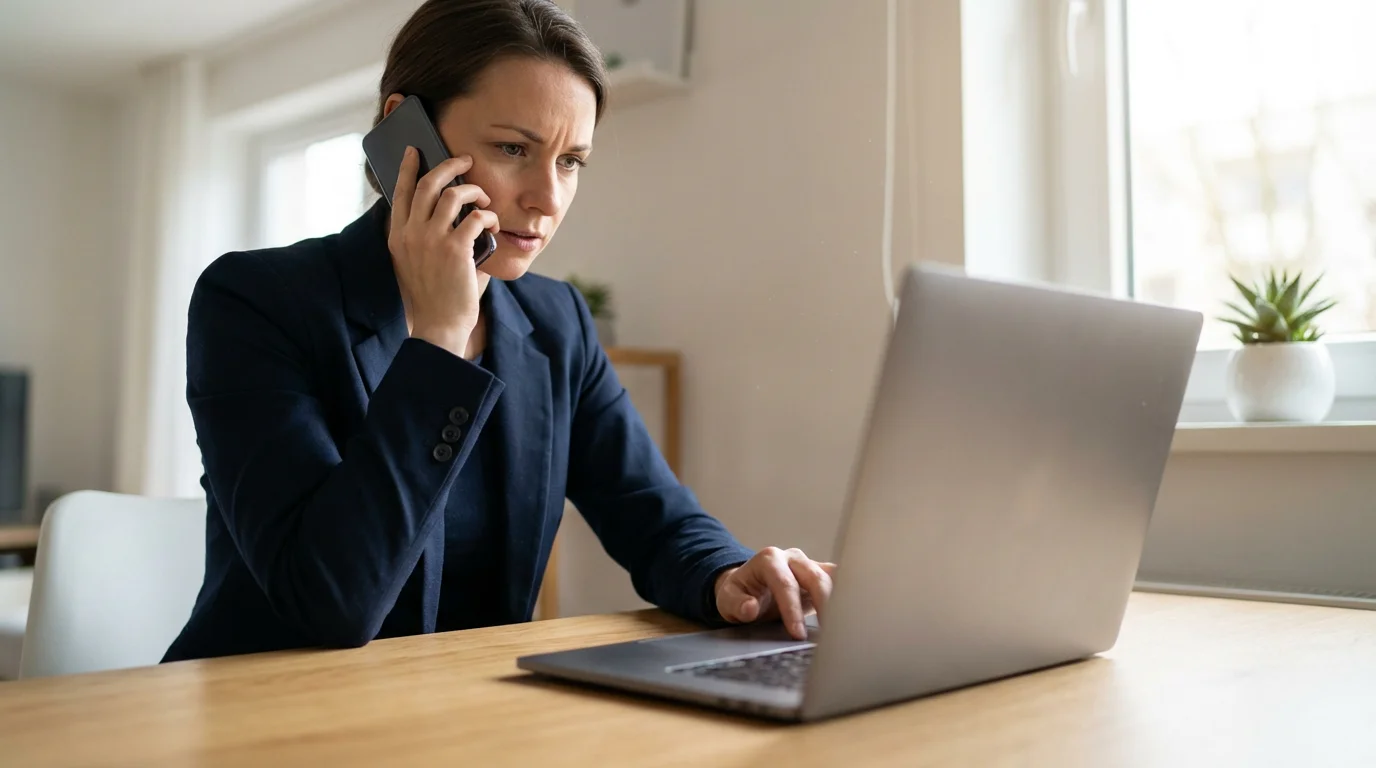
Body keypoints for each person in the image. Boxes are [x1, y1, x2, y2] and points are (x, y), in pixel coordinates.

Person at [163, 0, 834, 663]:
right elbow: (330, 601)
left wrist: (727, 577)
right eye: (514, 148)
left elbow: (652, 514)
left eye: (572, 160)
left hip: (466, 718)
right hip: (265, 716)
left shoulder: (555, 322)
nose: (547, 198)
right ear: (408, 137)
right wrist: (439, 339)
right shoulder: (254, 302)